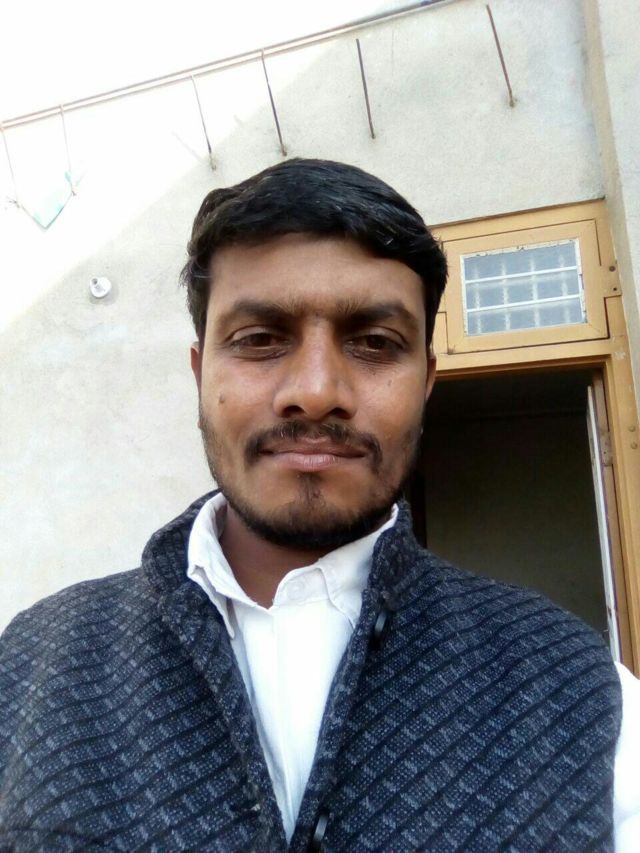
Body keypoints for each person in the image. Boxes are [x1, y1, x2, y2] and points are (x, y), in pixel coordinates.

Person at [0, 159, 638, 852]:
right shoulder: (30, 668)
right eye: (259, 340)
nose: (314, 391)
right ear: (200, 372)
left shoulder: (580, 693)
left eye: (375, 343)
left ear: (426, 383)